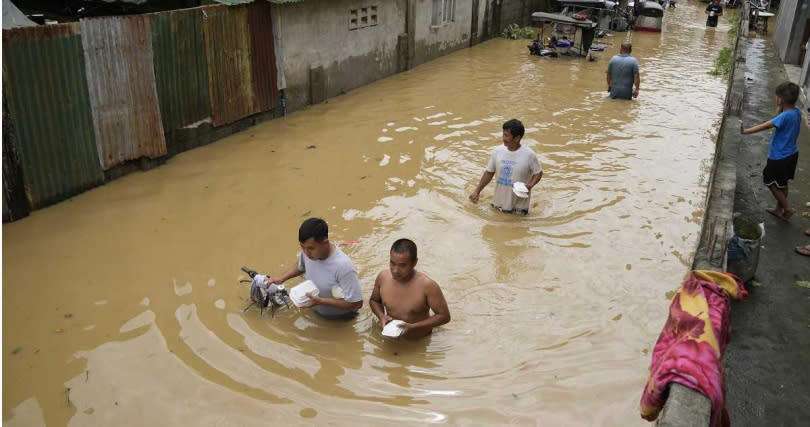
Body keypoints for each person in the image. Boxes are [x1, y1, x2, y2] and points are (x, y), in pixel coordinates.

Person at [268, 218, 363, 320]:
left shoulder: (343, 267)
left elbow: (356, 303)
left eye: (311, 248)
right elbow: (301, 266)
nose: (306, 253)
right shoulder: (308, 253)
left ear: (325, 243)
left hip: (340, 318)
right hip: (314, 308)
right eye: (302, 247)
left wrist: (322, 301)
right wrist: (281, 279)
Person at [741, 82, 801, 221]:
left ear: (780, 99)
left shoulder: (784, 116)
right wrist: (780, 107)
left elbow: (765, 126)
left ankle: (787, 209)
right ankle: (779, 209)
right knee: (783, 183)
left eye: (777, 96)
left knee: (771, 182)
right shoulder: (796, 112)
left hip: (779, 156)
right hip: (792, 154)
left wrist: (744, 131)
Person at [369, 239, 451, 340]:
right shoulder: (383, 277)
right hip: (390, 339)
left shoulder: (428, 286)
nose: (395, 270)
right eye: (392, 263)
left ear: (414, 263)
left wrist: (413, 327)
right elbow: (374, 300)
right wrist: (381, 316)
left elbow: (444, 316)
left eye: (402, 265)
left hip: (418, 341)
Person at [468, 119, 543, 215]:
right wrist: (477, 191)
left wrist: (530, 185)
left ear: (517, 138)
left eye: (506, 135)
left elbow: (538, 173)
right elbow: (489, 173)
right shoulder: (497, 151)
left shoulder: (529, 155)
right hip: (497, 206)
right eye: (503, 134)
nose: (503, 138)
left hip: (519, 211)